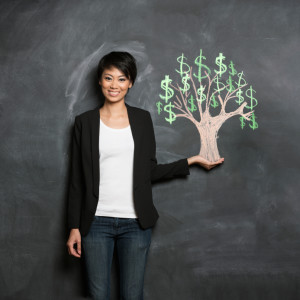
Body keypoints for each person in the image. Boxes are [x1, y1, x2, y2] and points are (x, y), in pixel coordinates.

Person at [66, 51, 224, 300]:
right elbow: (76, 181)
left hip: (135, 223)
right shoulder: (84, 123)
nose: (114, 85)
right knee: (98, 295)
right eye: (108, 78)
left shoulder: (141, 120)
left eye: (121, 79)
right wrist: (74, 227)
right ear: (99, 81)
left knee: (133, 295)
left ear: (130, 82)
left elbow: (149, 171)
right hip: (95, 223)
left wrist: (190, 161)